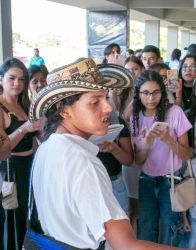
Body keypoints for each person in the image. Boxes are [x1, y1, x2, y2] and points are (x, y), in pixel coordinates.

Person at [29, 57, 184, 250]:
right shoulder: (83, 163)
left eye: (106, 97)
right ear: (64, 111)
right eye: (95, 102)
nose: (108, 107)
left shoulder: (47, 148)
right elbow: (127, 246)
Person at [130, 70, 192, 245]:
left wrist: (167, 139)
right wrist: (148, 141)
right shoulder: (135, 117)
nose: (151, 98)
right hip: (146, 180)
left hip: (171, 179)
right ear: (138, 94)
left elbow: (186, 154)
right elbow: (138, 160)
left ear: (162, 92)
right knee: (146, 232)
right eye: (146, 93)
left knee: (170, 230)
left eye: (156, 92)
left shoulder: (175, 112)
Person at [0, 57, 42, 250]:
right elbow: (1, 152)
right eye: (11, 78)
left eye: (21, 79)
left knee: (29, 218)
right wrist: (24, 129)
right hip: (11, 172)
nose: (17, 83)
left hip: (30, 169)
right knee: (13, 222)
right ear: (1, 79)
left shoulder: (26, 104)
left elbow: (38, 139)